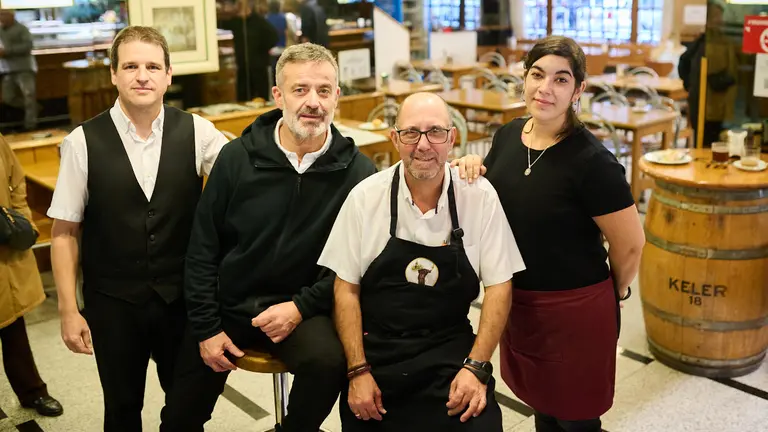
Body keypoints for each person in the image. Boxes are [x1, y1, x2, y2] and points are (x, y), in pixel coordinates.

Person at [160, 43, 377, 432]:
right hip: (228, 304)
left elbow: (355, 264)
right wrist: (208, 327)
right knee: (178, 417)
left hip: (304, 307)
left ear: (337, 97)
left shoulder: (358, 172)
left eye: (324, 90)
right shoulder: (236, 159)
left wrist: (299, 307)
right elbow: (202, 249)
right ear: (278, 95)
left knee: (327, 363)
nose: (313, 102)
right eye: (300, 89)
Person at [453, 36, 645, 431]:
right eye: (537, 74)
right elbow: (498, 196)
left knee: (576, 417)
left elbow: (630, 244)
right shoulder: (508, 136)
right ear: (523, 79)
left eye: (561, 79)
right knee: (542, 406)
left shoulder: (592, 162)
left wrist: (615, 290)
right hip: (521, 304)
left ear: (578, 91)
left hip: (575, 311)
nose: (545, 88)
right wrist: (474, 164)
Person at [48, 26, 229, 431]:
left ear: (169, 74)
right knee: (122, 408)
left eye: (152, 66)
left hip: (181, 299)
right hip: (113, 302)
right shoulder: (82, 141)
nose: (141, 76)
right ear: (113, 74)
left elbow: (241, 181)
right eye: (130, 66)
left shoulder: (198, 131)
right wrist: (67, 309)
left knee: (186, 408)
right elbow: (64, 232)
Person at [319, 92, 526, 431]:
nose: (424, 144)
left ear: (452, 138)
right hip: (378, 355)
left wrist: (475, 367)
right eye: (411, 133)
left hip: (451, 352)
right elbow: (346, 290)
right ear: (395, 138)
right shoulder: (365, 198)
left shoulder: (479, 196)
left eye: (436, 132)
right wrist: (357, 371)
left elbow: (500, 285)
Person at [0, 134, 63, 417]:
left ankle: (32, 392)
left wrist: (22, 219)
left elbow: (16, 181)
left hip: (5, 250)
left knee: (13, 327)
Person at [678, 0, 737, 147]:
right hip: (703, 103)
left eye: (720, 16)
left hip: (717, 105)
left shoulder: (722, 40)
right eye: (716, 16)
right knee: (704, 144)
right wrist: (690, 85)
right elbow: (684, 62)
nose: (720, 20)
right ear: (709, 20)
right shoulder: (704, 41)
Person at [0, 9, 37, 131]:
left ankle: (30, 125)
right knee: (8, 98)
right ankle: (34, 108)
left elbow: (28, 46)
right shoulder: (1, 30)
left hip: (24, 68)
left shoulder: (22, 29)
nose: (1, 17)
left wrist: (8, 51)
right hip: (7, 69)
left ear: (11, 15)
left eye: (3, 14)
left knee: (29, 95)